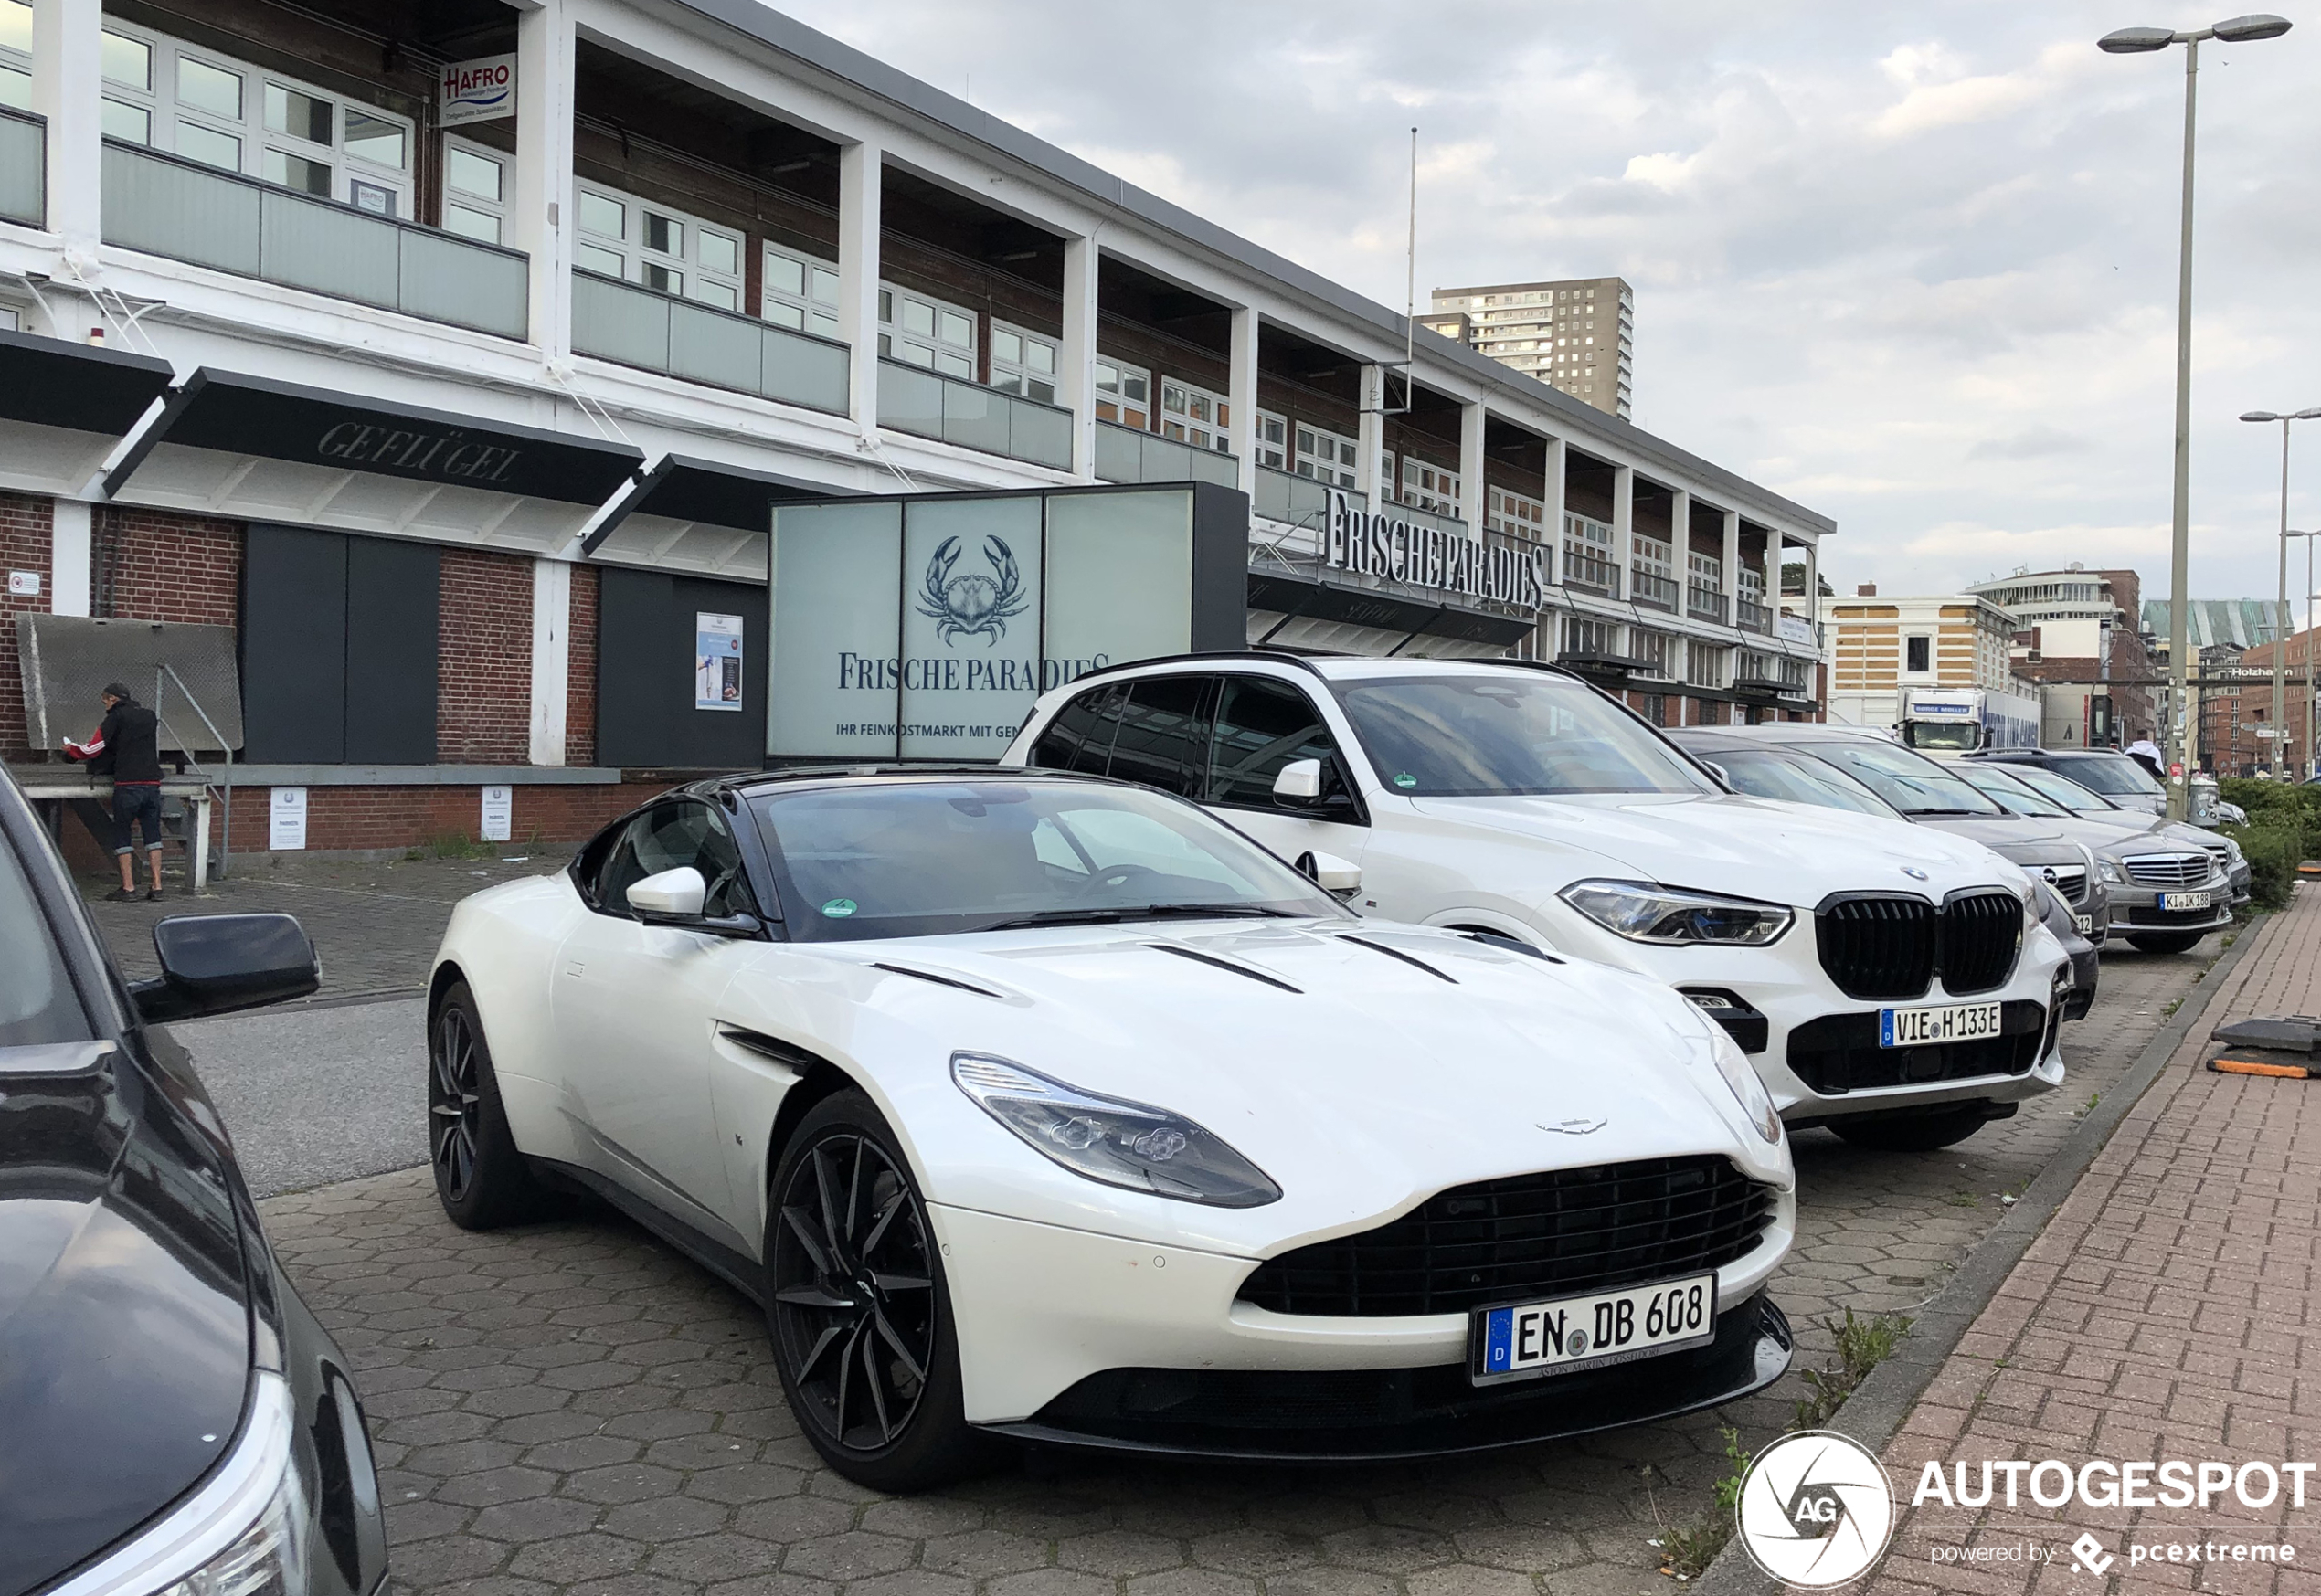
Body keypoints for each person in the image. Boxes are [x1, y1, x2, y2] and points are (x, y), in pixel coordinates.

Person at [63, 682, 166, 902]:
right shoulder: (149, 716)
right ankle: (157, 886)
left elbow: (93, 749)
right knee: (153, 834)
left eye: (105, 701)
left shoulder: (115, 718)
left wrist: (71, 749)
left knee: (122, 834)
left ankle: (128, 888)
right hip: (152, 782)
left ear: (113, 699)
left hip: (127, 784)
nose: (105, 705)